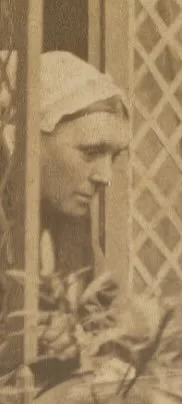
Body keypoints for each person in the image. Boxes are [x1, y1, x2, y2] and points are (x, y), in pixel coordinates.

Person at [1, 50, 131, 378]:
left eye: (113, 156)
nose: (105, 176)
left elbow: (111, 328)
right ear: (31, 140)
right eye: (91, 152)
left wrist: (76, 339)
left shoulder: (73, 230)